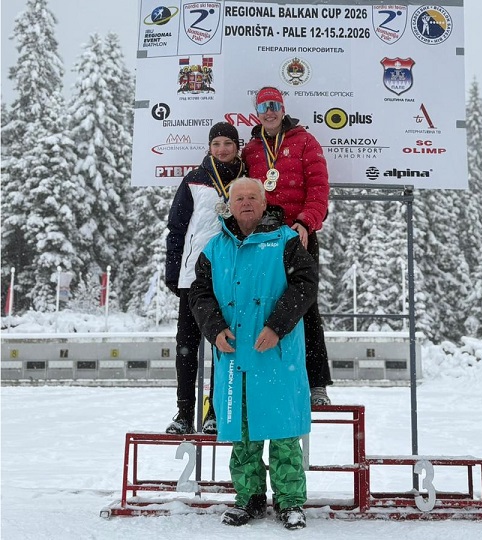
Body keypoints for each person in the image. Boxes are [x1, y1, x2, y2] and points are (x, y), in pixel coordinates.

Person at [189, 177, 316, 530]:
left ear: (264, 203)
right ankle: (249, 499)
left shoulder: (286, 241)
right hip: (235, 356)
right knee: (243, 435)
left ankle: (291, 502)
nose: (245, 203)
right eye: (239, 198)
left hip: (277, 355)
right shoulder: (215, 248)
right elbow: (199, 294)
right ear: (230, 205)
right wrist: (214, 328)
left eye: (252, 197)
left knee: (284, 434)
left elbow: (305, 286)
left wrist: (277, 326)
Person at [242, 86, 333, 406]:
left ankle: (317, 384)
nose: (269, 111)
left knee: (305, 308)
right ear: (257, 112)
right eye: (263, 106)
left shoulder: (305, 141)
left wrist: (306, 222)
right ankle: (267, 378)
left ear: (283, 109)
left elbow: (319, 189)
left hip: (298, 236)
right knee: (262, 307)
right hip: (262, 239)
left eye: (274, 105)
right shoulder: (251, 150)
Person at [165, 122, 244, 435]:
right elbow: (177, 228)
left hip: (229, 276)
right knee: (186, 346)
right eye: (216, 144)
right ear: (209, 148)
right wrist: (173, 272)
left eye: (228, 143)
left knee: (223, 345)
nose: (222, 149)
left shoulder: (247, 180)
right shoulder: (194, 179)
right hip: (193, 276)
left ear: (237, 146)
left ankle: (214, 412)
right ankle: (184, 413)